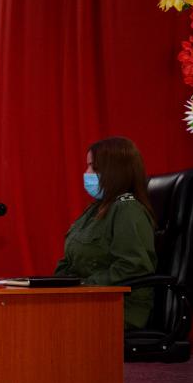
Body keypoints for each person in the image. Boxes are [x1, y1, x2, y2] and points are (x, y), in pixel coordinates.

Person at [54, 136, 157, 329]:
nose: (87, 173)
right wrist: (50, 287)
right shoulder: (95, 209)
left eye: (93, 167)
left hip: (117, 305)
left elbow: (132, 267)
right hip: (85, 298)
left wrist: (82, 286)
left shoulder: (127, 209)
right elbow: (68, 260)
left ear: (114, 171)